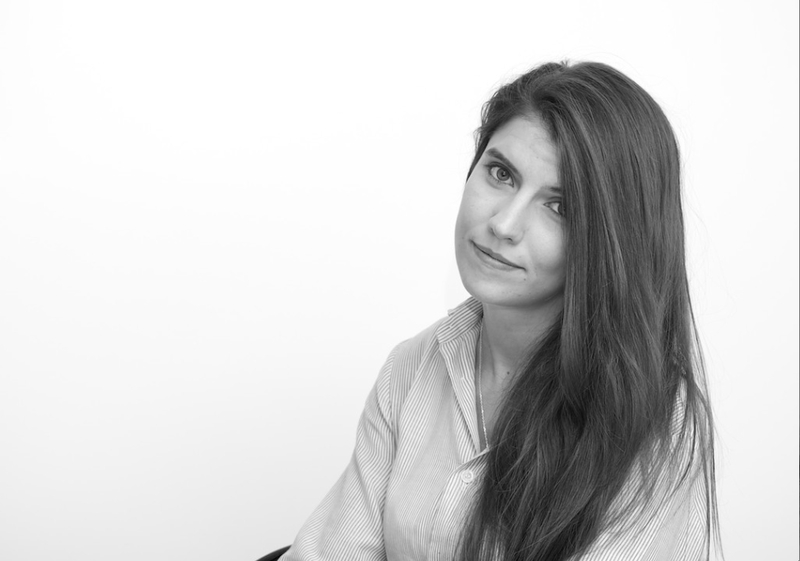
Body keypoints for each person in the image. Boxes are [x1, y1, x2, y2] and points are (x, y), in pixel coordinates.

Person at [279, 61, 719, 561]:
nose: (504, 224)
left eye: (560, 207)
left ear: (612, 241)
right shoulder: (413, 367)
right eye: (501, 173)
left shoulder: (654, 421)